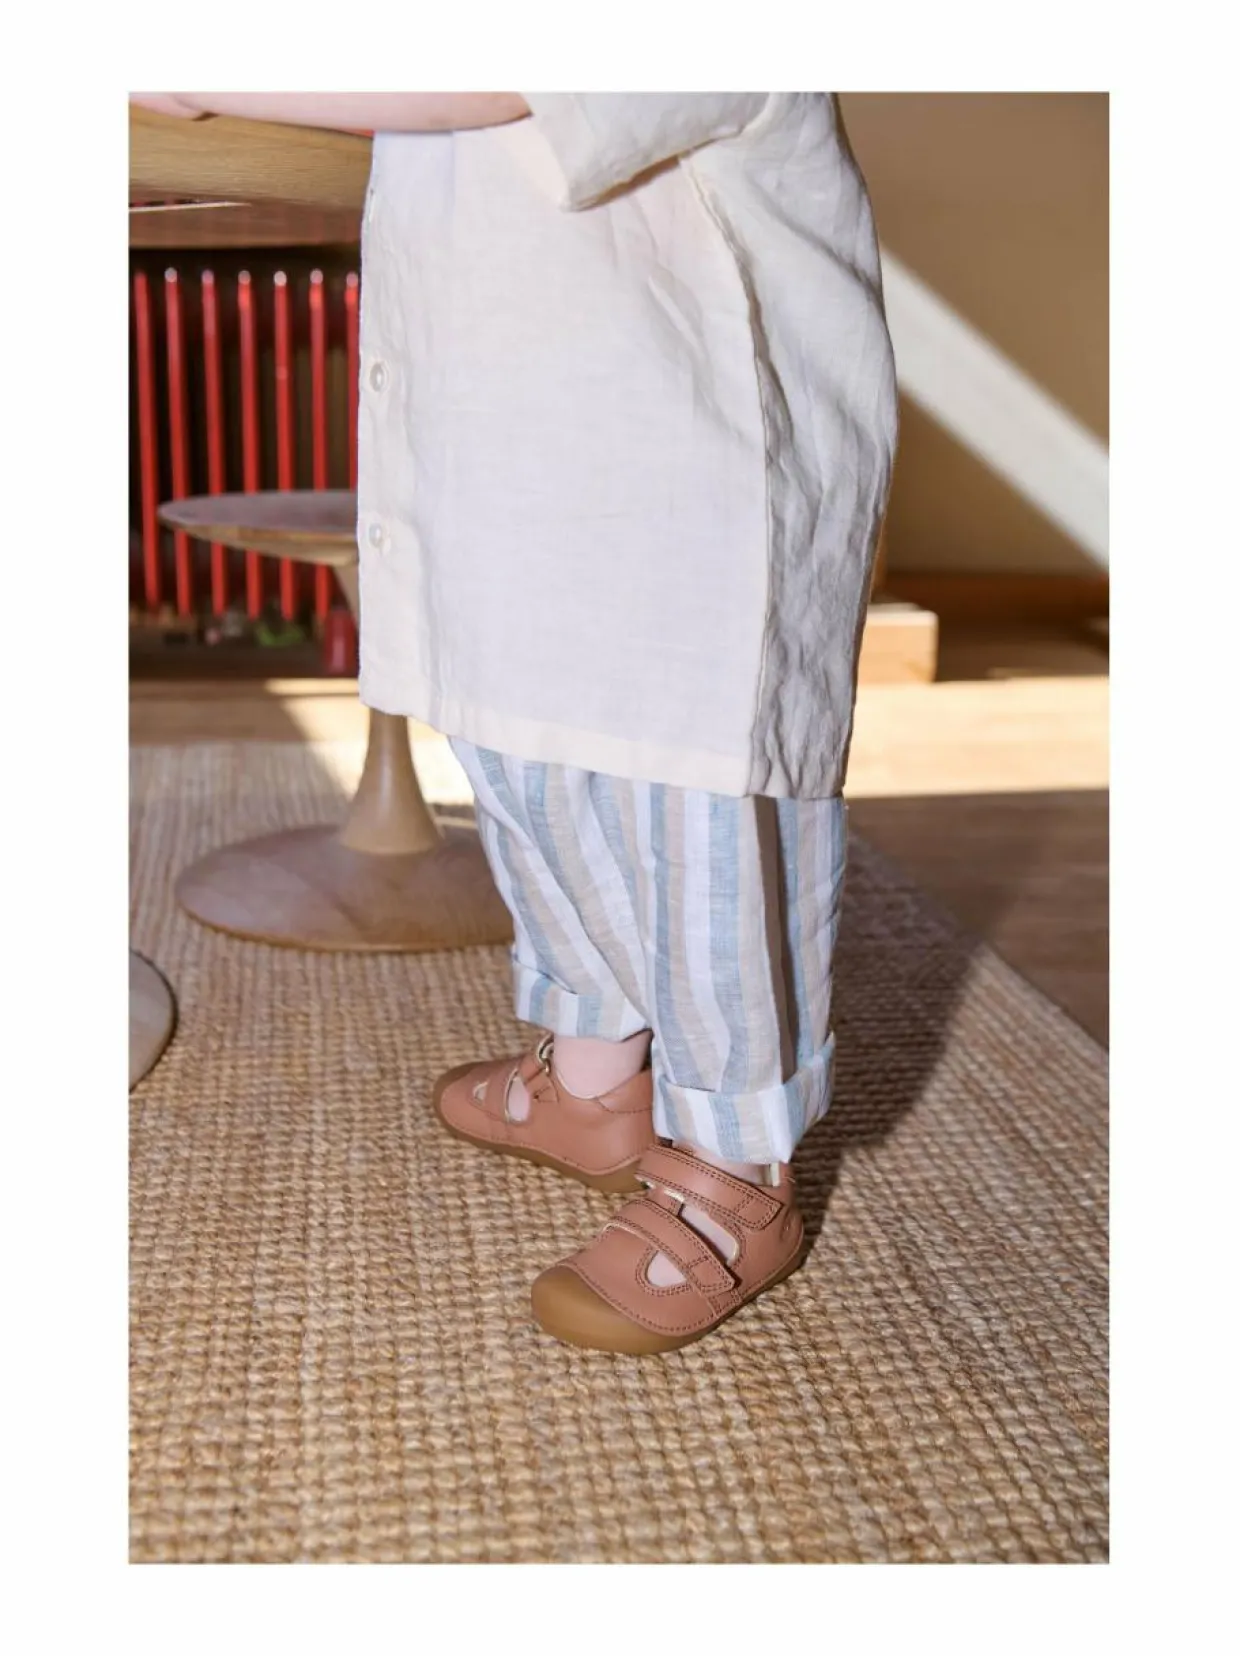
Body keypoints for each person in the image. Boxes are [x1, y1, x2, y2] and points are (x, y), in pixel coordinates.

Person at [132, 91, 898, 1354]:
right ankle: (594, 1079)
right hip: (515, 431)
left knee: (691, 807)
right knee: (521, 752)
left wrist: (195, 67)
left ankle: (735, 1166)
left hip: (695, 450)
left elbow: (513, 72)